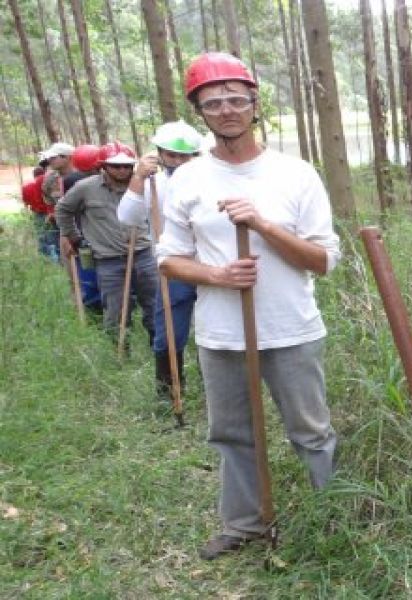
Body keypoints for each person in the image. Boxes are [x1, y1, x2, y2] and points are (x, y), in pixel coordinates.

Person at [156, 52, 341, 560]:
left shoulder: (295, 174)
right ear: (201, 112)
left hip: (292, 329)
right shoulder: (187, 179)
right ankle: (244, 525)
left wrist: (262, 226)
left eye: (236, 99)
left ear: (254, 104)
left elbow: (323, 259)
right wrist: (217, 274)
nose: (227, 110)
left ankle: (335, 517)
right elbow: (169, 260)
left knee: (312, 431)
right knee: (231, 433)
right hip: (221, 335)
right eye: (213, 102)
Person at [117, 121, 204, 401]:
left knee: (212, 332)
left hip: (211, 266)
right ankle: (170, 397)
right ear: (160, 154)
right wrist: (138, 179)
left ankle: (218, 393)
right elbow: (127, 218)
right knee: (168, 333)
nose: (178, 161)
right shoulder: (154, 182)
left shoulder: (209, 179)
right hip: (173, 269)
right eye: (172, 155)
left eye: (185, 156)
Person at [56, 142, 158, 341]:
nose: (122, 170)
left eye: (127, 166)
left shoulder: (145, 185)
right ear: (103, 166)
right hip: (108, 260)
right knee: (116, 311)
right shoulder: (85, 188)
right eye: (116, 166)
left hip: (144, 254)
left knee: (154, 305)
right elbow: (63, 210)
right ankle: (119, 355)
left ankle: (158, 349)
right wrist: (73, 236)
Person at [63, 144, 106, 316]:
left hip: (84, 237)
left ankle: (94, 311)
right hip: (88, 237)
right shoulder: (77, 181)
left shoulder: (71, 180)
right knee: (93, 275)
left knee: (89, 275)